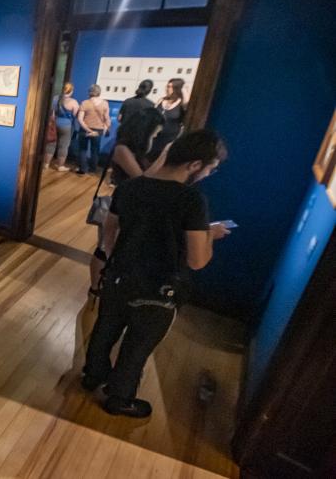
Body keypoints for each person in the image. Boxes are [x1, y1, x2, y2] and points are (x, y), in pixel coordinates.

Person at [82, 129, 231, 418]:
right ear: (195, 165)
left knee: (104, 330)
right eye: (209, 169)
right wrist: (209, 235)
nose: (207, 175)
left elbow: (108, 238)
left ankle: (92, 376)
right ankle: (120, 399)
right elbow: (197, 261)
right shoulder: (192, 201)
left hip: (119, 278)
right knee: (136, 346)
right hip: (159, 289)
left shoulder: (129, 188)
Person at [88, 108, 167, 296]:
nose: (155, 137)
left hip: (129, 203)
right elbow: (141, 180)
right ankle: (95, 288)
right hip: (119, 203)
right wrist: (165, 156)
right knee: (104, 246)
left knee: (115, 245)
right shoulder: (122, 149)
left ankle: (107, 285)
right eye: (154, 133)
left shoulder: (133, 149)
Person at [43, 82, 79, 171]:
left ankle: (46, 164)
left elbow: (52, 112)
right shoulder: (73, 102)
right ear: (71, 91)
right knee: (63, 146)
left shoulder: (55, 98)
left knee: (51, 144)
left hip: (55, 124)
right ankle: (60, 166)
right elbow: (75, 115)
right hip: (66, 125)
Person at [76, 84, 112, 174]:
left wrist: (88, 130)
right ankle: (93, 170)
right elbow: (107, 118)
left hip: (85, 129)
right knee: (95, 150)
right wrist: (107, 128)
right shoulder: (105, 103)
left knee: (82, 149)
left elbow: (80, 119)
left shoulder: (85, 103)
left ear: (90, 92)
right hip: (98, 130)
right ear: (99, 92)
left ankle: (83, 169)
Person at [150, 78, 189, 157]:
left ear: (176, 89)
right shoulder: (161, 100)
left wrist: (184, 89)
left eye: (170, 87)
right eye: (167, 86)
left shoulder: (181, 103)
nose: (167, 89)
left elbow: (187, 103)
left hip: (169, 141)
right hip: (153, 138)